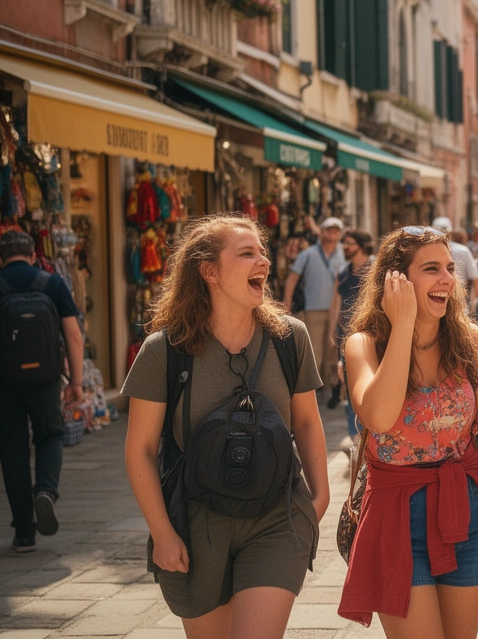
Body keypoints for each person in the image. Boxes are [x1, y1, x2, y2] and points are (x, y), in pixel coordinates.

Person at [123, 214, 328, 637]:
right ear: (209, 272)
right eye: (247, 253)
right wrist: (162, 533)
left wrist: (318, 499)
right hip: (197, 522)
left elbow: (307, 422)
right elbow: (140, 450)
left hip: (277, 518)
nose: (264, 262)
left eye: (263, 252)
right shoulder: (164, 350)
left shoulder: (291, 338)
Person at [338, 226, 478, 637]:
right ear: (395, 280)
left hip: (465, 508)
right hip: (397, 514)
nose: (447, 279)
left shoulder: (467, 339)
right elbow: (378, 417)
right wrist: (403, 325)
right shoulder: (364, 344)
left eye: (449, 268)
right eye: (431, 269)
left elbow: (476, 419)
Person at [0, 230, 84, 552]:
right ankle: (46, 491)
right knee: (50, 435)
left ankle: (24, 532)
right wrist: (76, 382)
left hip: (1, 382)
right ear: (32, 254)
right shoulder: (51, 283)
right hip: (46, 379)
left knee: (13, 452)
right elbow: (74, 335)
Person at [283, 217, 346, 392]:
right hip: (313, 309)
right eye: (329, 230)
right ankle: (311, 390)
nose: (333, 233)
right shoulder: (308, 254)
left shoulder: (343, 254)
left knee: (332, 350)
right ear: (321, 232)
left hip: (338, 310)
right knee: (313, 351)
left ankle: (327, 389)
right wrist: (286, 302)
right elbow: (292, 278)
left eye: (336, 230)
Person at [330, 230, 375, 431]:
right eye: (344, 244)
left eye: (349, 243)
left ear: (362, 245)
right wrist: (333, 333)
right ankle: (354, 436)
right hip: (347, 338)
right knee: (349, 388)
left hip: (371, 337)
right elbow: (335, 304)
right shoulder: (343, 274)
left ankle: (370, 431)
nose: (345, 247)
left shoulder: (376, 270)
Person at [434, 216, 478, 313]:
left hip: (439, 303)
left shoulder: (426, 253)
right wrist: (472, 304)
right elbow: (476, 280)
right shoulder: (463, 251)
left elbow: (476, 280)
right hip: (459, 306)